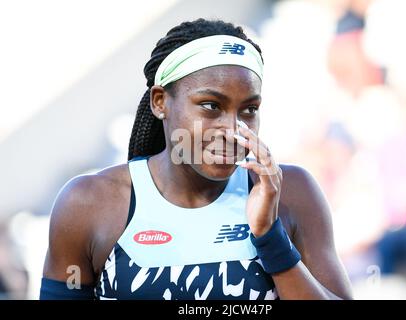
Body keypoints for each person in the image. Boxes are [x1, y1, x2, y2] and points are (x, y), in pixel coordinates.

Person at [39, 18, 352, 300]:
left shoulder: (292, 193)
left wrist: (271, 238)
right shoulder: (87, 204)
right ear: (160, 102)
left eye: (249, 110)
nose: (232, 129)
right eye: (211, 106)